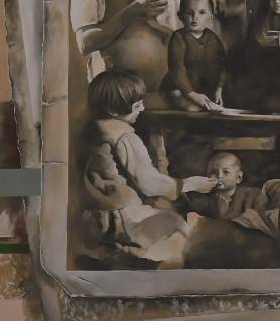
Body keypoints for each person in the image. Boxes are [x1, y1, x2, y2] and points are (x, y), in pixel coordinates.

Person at [81, 70, 217, 266]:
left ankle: (134, 253)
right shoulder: (124, 136)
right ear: (112, 111)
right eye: (137, 106)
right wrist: (187, 184)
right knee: (177, 228)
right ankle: (142, 255)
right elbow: (148, 182)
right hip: (122, 216)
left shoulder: (93, 130)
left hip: (92, 215)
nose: (143, 108)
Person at [160, 0, 227, 112]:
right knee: (187, 104)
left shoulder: (213, 39)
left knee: (216, 105)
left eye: (202, 12)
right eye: (189, 13)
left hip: (202, 89)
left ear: (211, 16)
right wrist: (191, 94)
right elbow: (177, 68)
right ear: (180, 16)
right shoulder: (178, 37)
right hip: (179, 87)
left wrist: (219, 89)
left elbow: (222, 66)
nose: (195, 17)